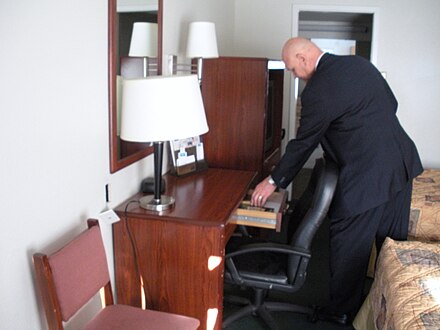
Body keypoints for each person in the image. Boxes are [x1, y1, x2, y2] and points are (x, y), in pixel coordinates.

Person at [251, 37, 423, 325]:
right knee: (390, 245)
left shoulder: (318, 91)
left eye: (293, 69)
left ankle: (342, 312)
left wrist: (272, 181)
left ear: (304, 58)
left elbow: (304, 143)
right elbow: (391, 103)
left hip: (367, 175)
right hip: (401, 164)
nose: (295, 75)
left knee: (347, 244)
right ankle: (382, 304)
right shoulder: (360, 65)